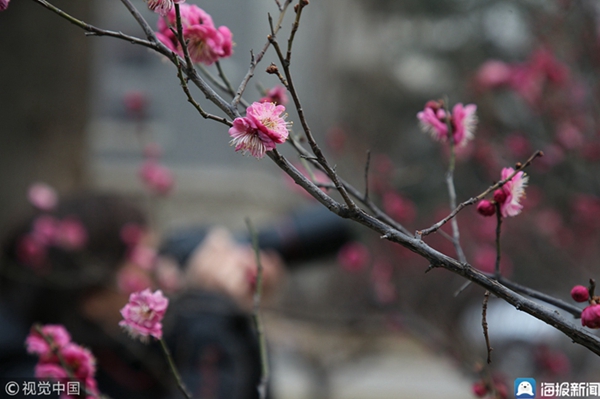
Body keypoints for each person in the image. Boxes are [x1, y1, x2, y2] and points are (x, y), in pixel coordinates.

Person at [0, 190, 279, 399]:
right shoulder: (30, 381)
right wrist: (210, 319)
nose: (158, 275)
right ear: (92, 300)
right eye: (144, 264)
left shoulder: (109, 346)